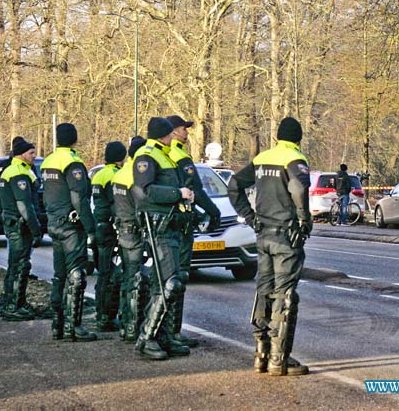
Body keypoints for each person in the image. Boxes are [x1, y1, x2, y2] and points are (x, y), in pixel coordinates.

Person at [228, 117, 311, 376]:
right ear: (298, 138)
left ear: (277, 136)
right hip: (286, 236)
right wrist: (303, 218)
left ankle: (261, 355)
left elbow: (234, 186)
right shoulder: (294, 159)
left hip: (263, 235)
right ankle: (279, 358)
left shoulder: (263, 158)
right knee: (284, 295)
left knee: (263, 291)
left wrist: (250, 217)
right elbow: (298, 187)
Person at [132, 117, 195, 360]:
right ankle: (146, 338)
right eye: (170, 134)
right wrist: (176, 193)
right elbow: (143, 193)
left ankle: (163, 336)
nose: (173, 137)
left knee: (170, 283)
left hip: (172, 225)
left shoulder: (164, 154)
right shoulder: (148, 156)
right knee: (168, 283)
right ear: (162, 135)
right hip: (159, 227)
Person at [166, 114, 221, 348]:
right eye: (183, 129)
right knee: (179, 276)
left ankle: (165, 331)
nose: (187, 133)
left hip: (167, 222)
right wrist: (213, 212)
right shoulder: (179, 156)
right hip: (180, 225)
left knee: (167, 277)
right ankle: (173, 332)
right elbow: (195, 188)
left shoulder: (162, 154)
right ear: (174, 132)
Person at [40, 123, 97, 341]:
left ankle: (57, 324)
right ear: (74, 139)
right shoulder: (73, 162)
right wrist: (90, 227)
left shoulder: (48, 161)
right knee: (77, 275)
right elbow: (78, 198)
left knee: (59, 275)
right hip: (71, 226)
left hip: (54, 223)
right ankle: (75, 326)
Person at [0, 139, 43, 321]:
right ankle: (14, 305)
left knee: (16, 265)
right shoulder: (18, 173)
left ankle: (14, 302)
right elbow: (25, 205)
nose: (34, 156)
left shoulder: (16, 170)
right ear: (21, 153)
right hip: (19, 224)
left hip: (13, 223)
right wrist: (36, 230)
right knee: (20, 265)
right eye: (31, 153)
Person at [113, 135, 147, 343]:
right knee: (137, 279)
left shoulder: (121, 173)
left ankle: (125, 322)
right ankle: (134, 326)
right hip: (136, 231)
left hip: (123, 230)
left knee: (127, 278)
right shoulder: (137, 174)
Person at [91, 141, 127, 331]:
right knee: (113, 275)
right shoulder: (115, 175)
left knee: (103, 273)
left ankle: (101, 314)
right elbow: (117, 205)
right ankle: (107, 316)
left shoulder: (98, 175)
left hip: (100, 226)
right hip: (112, 229)